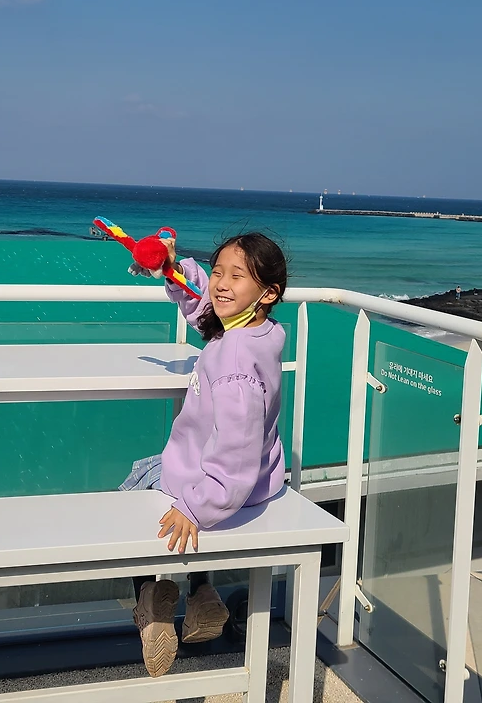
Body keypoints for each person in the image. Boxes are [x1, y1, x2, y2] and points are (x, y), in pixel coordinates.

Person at [119, 231, 287, 678]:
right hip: (258, 479)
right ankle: (202, 593)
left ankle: (149, 602)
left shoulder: (233, 361)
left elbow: (235, 451)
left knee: (136, 490)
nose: (221, 284)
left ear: (268, 293)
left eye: (237, 276)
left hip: (213, 481)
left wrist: (197, 507)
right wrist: (174, 269)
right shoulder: (260, 333)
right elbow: (204, 306)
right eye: (217, 273)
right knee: (176, 490)